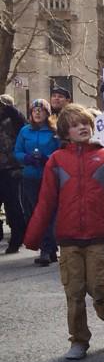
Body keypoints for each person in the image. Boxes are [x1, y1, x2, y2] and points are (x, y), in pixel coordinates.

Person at [23, 104, 104, 360]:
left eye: (85, 122)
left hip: (98, 236)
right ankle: (79, 339)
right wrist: (33, 236)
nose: (82, 127)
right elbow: (46, 201)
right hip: (68, 237)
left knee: (98, 287)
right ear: (64, 132)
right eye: (74, 124)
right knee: (74, 291)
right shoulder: (56, 162)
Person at [14, 98, 61, 265]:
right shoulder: (25, 131)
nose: (38, 113)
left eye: (41, 110)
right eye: (35, 110)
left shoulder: (54, 132)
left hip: (49, 177)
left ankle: (47, 249)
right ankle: (47, 247)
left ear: (47, 113)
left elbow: (60, 152)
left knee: (49, 212)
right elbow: (17, 151)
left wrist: (46, 159)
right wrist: (26, 158)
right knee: (36, 213)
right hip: (30, 177)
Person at [0, 94, 27, 254]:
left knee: (13, 206)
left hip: (11, 168)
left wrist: (8, 107)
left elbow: (22, 123)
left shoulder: (12, 118)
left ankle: (17, 239)